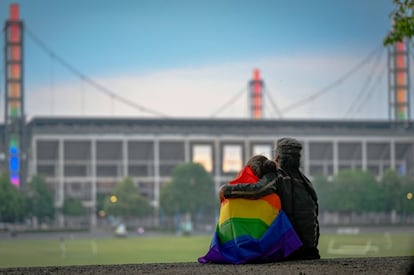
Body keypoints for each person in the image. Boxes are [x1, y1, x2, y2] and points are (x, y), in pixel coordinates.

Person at [219, 137, 320, 260]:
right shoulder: (307, 183)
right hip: (311, 250)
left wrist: (227, 190)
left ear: (277, 158)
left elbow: (257, 190)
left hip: (293, 250)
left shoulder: (278, 176)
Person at [198, 155, 302, 264]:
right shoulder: (274, 198)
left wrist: (226, 190)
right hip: (269, 252)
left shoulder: (230, 200)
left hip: (234, 252)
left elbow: (256, 190)